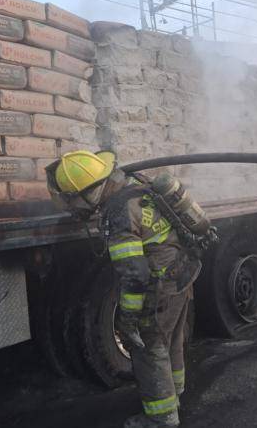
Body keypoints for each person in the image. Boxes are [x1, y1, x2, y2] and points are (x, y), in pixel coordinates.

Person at [48, 150, 206, 428]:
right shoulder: (137, 187)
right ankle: (175, 394)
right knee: (172, 339)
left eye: (74, 199)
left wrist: (129, 317)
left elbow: (134, 274)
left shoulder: (117, 213)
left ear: (90, 192)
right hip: (183, 273)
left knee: (149, 348)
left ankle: (161, 417)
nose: (74, 206)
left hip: (162, 284)